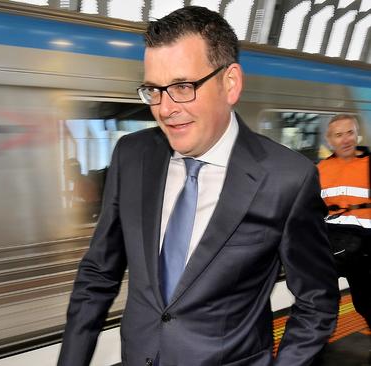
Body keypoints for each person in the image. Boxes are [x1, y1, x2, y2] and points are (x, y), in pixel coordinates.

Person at [58, 6, 338, 366]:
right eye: (153, 90)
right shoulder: (132, 155)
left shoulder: (287, 178)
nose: (164, 108)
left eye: (181, 86)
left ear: (230, 83)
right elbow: (98, 273)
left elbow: (316, 302)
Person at [317, 114, 371, 334]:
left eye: (350, 132)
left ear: (357, 134)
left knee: (365, 303)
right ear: (329, 140)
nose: (346, 139)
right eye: (338, 135)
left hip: (367, 249)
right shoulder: (320, 170)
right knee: (320, 299)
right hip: (334, 244)